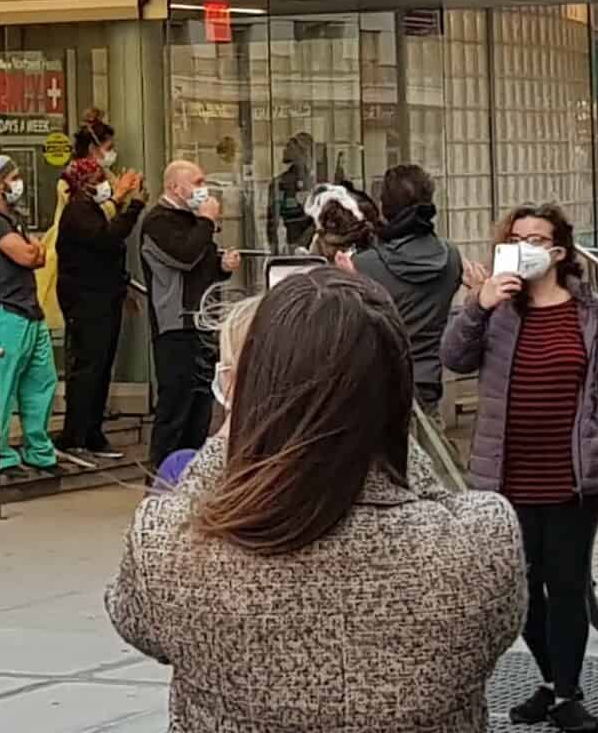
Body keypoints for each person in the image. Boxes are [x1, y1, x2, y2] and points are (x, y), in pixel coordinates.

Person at [107, 271, 524, 732]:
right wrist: (388, 439)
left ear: (249, 389)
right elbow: (435, 508)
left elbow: (138, 621)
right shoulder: (482, 542)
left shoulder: (166, 544)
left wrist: (235, 436)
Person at [440, 204, 598, 732]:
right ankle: (550, 680)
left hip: (573, 472)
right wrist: (476, 305)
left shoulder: (590, 312)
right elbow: (453, 359)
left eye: (536, 238)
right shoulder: (497, 307)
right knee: (519, 588)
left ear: (557, 251)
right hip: (507, 474)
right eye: (515, 237)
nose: (524, 245)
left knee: (566, 583)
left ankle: (568, 693)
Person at [54, 131, 144, 460]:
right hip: (85, 298)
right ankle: (75, 433)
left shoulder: (93, 209)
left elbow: (110, 247)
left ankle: (92, 431)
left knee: (102, 364)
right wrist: (132, 207)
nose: (104, 183)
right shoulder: (78, 211)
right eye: (97, 179)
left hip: (104, 293)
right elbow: (107, 238)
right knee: (88, 365)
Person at [349, 165, 466, 417]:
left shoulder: (363, 265)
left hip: (378, 387)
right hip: (428, 384)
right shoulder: (452, 257)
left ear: (384, 207)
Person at [141, 160, 238, 463]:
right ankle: (161, 478)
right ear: (174, 187)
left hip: (201, 322)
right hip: (175, 325)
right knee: (175, 408)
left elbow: (199, 261)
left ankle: (190, 474)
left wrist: (220, 266)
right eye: (197, 182)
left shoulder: (191, 220)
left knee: (199, 408)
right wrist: (207, 221)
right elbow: (183, 256)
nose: (203, 189)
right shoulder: (157, 222)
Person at [0, 155, 58, 478]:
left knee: (41, 380)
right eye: (15, 177)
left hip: (30, 311)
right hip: (2, 312)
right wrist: (31, 251)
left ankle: (38, 449)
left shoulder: (14, 218)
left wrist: (33, 252)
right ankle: (1, 454)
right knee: (3, 387)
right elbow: (26, 254)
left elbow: (40, 255)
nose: (20, 183)